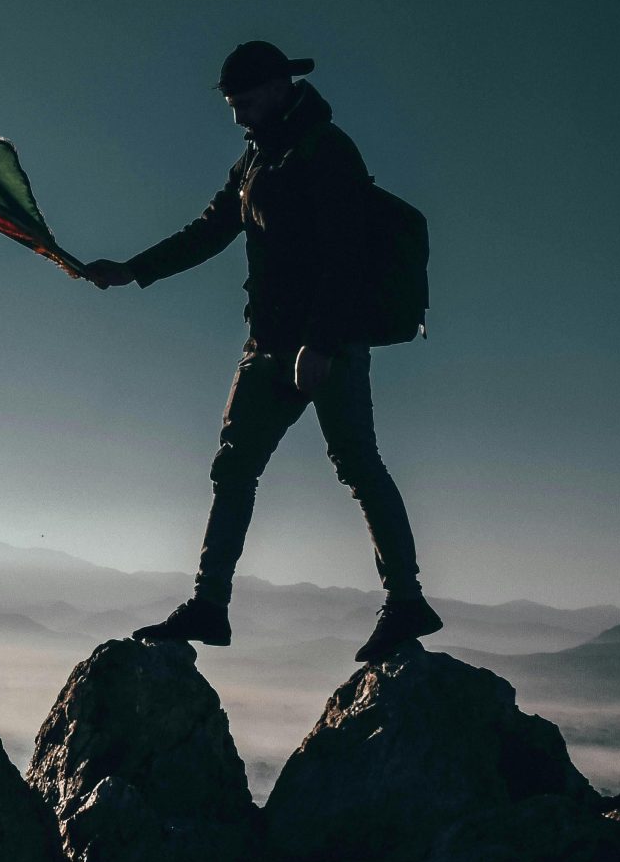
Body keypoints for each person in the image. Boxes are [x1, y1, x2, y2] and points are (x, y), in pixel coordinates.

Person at [84, 40, 439, 663]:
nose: (237, 115)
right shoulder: (255, 160)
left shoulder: (329, 151)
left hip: (324, 346)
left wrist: (322, 344)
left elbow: (347, 254)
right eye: (230, 104)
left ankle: (406, 601)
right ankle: (209, 605)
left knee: (357, 464)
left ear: (279, 87)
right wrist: (132, 271)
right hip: (268, 344)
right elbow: (211, 229)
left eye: (243, 101)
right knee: (233, 469)